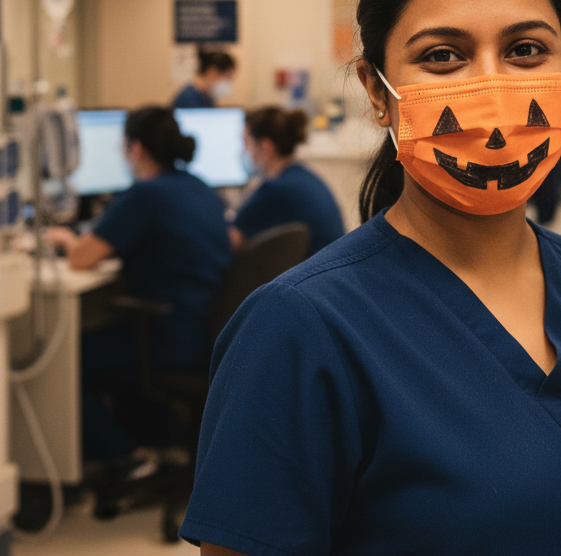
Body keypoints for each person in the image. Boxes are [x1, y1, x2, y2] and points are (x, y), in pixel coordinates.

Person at [180, 0, 561, 556]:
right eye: (443, 55)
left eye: (524, 50)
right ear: (378, 91)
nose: (491, 89)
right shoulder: (299, 333)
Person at [46, 107, 231, 462]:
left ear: (136, 149)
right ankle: (162, 441)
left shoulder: (146, 195)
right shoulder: (199, 187)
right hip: (204, 332)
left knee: (65, 358)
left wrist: (65, 240)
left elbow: (82, 258)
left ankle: (128, 459)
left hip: (172, 340)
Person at [231, 106, 345, 256]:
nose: (243, 151)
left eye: (246, 143)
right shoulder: (302, 176)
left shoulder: (276, 189)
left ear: (265, 147)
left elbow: (231, 241)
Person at [172, 49, 237, 108]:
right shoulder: (188, 98)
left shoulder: (207, 98)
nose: (229, 82)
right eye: (228, 77)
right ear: (212, 72)